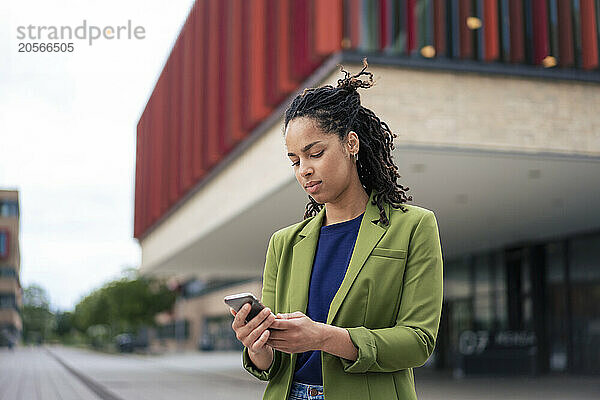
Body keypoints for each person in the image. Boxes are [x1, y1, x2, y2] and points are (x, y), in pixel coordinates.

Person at [230, 59, 443, 400]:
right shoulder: (283, 243)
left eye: (315, 153)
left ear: (351, 143)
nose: (304, 170)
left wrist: (324, 337)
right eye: (295, 161)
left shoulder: (414, 226)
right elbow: (271, 364)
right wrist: (255, 343)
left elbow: (418, 342)